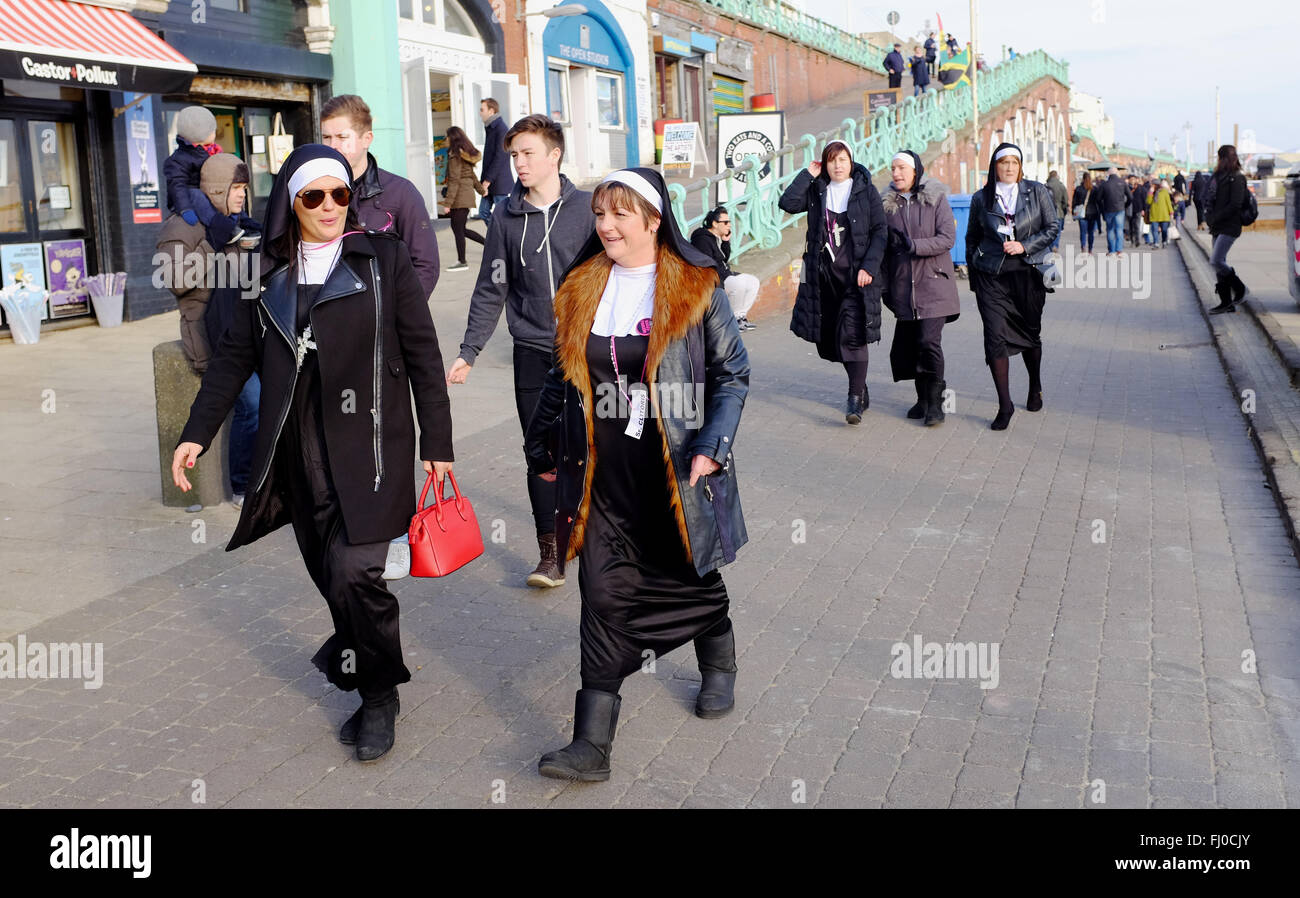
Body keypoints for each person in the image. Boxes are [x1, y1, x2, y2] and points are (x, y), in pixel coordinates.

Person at [171, 145, 455, 762]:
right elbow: (232, 360)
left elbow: (424, 354)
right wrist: (195, 432)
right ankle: (366, 668)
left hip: (372, 444)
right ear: (292, 205)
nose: (331, 207)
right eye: (314, 196)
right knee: (332, 580)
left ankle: (380, 696)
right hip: (297, 450)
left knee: (358, 572)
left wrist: (438, 442)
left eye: (341, 193)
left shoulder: (382, 259)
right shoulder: (265, 273)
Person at [523, 168, 750, 782]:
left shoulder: (697, 286)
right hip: (603, 477)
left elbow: (732, 373)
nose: (607, 225)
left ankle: (718, 654)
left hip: (674, 469)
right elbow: (558, 375)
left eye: (621, 214)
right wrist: (538, 441)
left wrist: (713, 444)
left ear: (654, 220)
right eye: (601, 213)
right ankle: (591, 745)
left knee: (689, 573)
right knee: (600, 596)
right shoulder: (581, 287)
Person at [448, 114, 596, 588]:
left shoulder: (589, 210)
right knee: (540, 452)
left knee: (595, 447)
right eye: (514, 155)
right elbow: (492, 288)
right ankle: (550, 555)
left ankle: (599, 541)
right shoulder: (506, 220)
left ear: (555, 155)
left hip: (587, 349)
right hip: (532, 350)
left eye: (528, 153)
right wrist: (469, 350)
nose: (519, 163)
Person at [321, 94, 441, 580]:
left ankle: (392, 534)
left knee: (386, 439)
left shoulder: (399, 195)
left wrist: (389, 318)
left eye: (341, 137)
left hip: (385, 349)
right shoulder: (312, 190)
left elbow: (425, 265)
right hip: (330, 349)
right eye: (325, 137)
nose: (332, 145)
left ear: (366, 139)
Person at [156, 153, 262, 507]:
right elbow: (174, 278)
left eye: (245, 188)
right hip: (209, 337)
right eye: (237, 188)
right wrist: (214, 246)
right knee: (253, 402)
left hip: (243, 330)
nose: (242, 196)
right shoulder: (183, 226)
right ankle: (242, 487)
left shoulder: (231, 222)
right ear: (218, 189)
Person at [779, 140, 886, 425]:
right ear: (825, 165)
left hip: (856, 278)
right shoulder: (817, 191)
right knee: (832, 341)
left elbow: (880, 231)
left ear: (851, 162)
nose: (838, 165)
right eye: (832, 160)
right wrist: (807, 175)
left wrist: (869, 267)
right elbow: (787, 203)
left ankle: (853, 399)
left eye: (843, 159)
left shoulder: (865, 191)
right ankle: (860, 386)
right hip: (824, 278)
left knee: (853, 335)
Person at [965, 142, 1059, 430]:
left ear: (1020, 167)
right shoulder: (982, 198)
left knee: (1031, 334)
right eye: (1003, 163)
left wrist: (1025, 245)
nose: (1008, 168)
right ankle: (1004, 405)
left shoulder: (1037, 191)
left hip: (1028, 274)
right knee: (995, 338)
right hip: (992, 276)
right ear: (995, 167)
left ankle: (1035, 385)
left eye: (1013, 163)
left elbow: (1052, 227)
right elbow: (971, 237)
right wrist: (974, 278)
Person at [881, 150, 960, 427]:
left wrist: (914, 246)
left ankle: (936, 404)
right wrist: (884, 287)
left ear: (916, 171)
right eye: (893, 168)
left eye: (901, 168)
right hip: (903, 286)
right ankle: (923, 398)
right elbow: (883, 249)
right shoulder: (888, 206)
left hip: (934, 283)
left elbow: (947, 238)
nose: (896, 173)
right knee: (913, 345)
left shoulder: (936, 198)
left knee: (929, 341)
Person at [163, 105, 259, 250]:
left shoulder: (212, 151)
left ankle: (244, 221)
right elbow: (177, 185)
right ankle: (223, 227)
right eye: (211, 130)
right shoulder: (179, 159)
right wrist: (185, 208)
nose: (213, 133)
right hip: (191, 198)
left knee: (231, 196)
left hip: (211, 193)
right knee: (197, 195)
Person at [690, 206, 758, 330]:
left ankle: (740, 317)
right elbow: (707, 264)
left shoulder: (717, 238)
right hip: (714, 279)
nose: (729, 225)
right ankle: (731, 320)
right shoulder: (702, 239)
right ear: (715, 224)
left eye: (730, 222)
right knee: (739, 284)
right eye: (725, 222)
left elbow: (724, 259)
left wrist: (726, 241)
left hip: (725, 274)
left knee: (753, 281)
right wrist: (720, 283)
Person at [1206, 144, 1249, 314]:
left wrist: (1216, 217)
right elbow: (1211, 198)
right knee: (1218, 263)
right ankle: (1226, 302)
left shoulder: (1237, 177)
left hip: (1230, 225)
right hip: (1217, 225)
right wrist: (1209, 217)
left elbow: (1236, 204)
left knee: (1216, 260)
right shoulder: (1219, 176)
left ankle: (1240, 289)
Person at [438, 125, 487, 271]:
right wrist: (481, 190)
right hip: (465, 195)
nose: (445, 139)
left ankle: (462, 261)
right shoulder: (462, 153)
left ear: (452, 138)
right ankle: (489, 245)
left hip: (460, 197)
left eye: (446, 136)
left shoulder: (456, 155)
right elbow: (470, 174)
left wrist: (448, 203)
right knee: (460, 228)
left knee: (458, 229)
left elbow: (454, 180)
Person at [478, 98, 513, 229]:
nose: (480, 112)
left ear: (491, 111)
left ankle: (505, 241)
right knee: (483, 212)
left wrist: (487, 181)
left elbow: (500, 157)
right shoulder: (490, 127)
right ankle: (498, 238)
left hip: (499, 183)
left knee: (503, 217)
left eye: (482, 109)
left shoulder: (501, 129)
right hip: (490, 182)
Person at [1098, 166, 1128, 256]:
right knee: (1119, 229)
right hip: (1120, 209)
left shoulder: (1104, 184)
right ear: (1117, 173)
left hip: (1108, 209)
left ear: (1108, 174)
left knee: (1110, 229)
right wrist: (1124, 205)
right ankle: (1119, 250)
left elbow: (1098, 199)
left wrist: (1102, 208)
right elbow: (1130, 197)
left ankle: (1111, 250)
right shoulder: (1122, 183)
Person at [1071, 173, 1097, 254]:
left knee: (1083, 232)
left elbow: (1074, 201)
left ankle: (1083, 247)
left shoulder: (1078, 189)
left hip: (1081, 213)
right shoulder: (1094, 189)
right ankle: (1090, 249)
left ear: (1083, 179)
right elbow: (1098, 201)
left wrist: (1073, 212)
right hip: (1092, 213)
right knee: (1091, 232)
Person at [1045, 170, 1069, 251]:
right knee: (1057, 231)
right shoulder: (1061, 186)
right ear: (1056, 176)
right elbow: (1065, 200)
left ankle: (1051, 246)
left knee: (1049, 231)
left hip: (1047, 212)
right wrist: (1062, 208)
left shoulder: (1045, 185)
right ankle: (1055, 245)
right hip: (1059, 211)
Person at [1146, 178, 1173, 249]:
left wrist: (1171, 212)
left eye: (1153, 185)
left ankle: (1164, 241)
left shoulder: (1164, 192)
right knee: (1154, 230)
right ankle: (1156, 243)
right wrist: (1150, 193)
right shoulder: (1151, 192)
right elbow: (1149, 202)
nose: (1151, 186)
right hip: (1154, 214)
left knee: (1164, 230)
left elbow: (1168, 203)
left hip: (1164, 214)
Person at [1128, 175, 1149, 248]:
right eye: (1131, 179)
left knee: (1137, 225)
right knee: (1130, 226)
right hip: (1129, 210)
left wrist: (1144, 209)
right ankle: (1132, 240)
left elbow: (1144, 200)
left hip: (1138, 209)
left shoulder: (1141, 189)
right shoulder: (1127, 188)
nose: (1132, 181)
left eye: (1133, 179)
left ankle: (1137, 241)